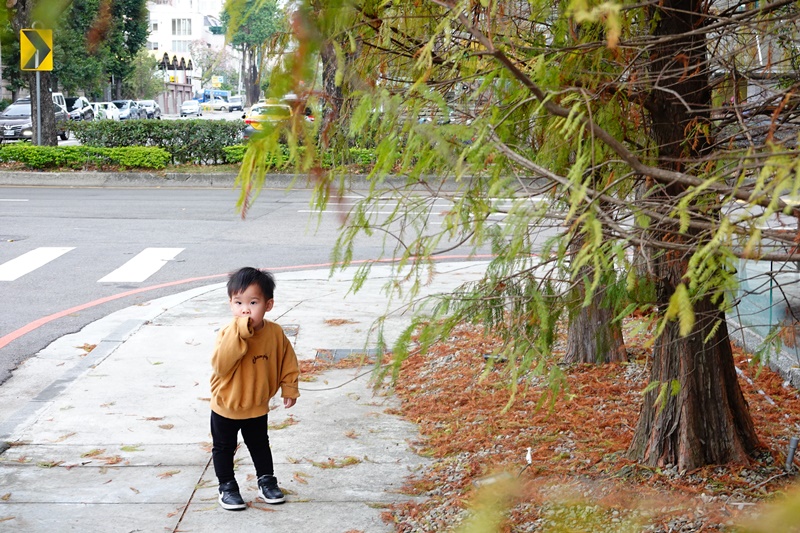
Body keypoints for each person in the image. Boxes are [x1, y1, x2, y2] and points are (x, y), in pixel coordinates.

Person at [209, 267, 300, 510]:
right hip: (226, 406)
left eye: (253, 302)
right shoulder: (228, 333)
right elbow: (220, 365)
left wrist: (289, 388)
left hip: (257, 406)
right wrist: (240, 333)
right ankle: (227, 486)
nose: (245, 309)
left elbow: (287, 361)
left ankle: (266, 481)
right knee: (224, 448)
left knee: (260, 444)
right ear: (230, 304)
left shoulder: (275, 333)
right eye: (238, 302)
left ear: (268, 305)